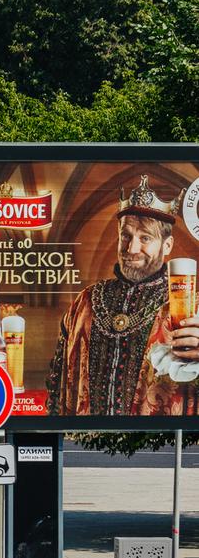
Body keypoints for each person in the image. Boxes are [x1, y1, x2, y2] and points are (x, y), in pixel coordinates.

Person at [46, 175, 199, 416]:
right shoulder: (84, 301)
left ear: (167, 246)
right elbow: (56, 383)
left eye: (145, 238)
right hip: (84, 447)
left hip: (160, 449)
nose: (131, 248)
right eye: (126, 236)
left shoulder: (192, 309)